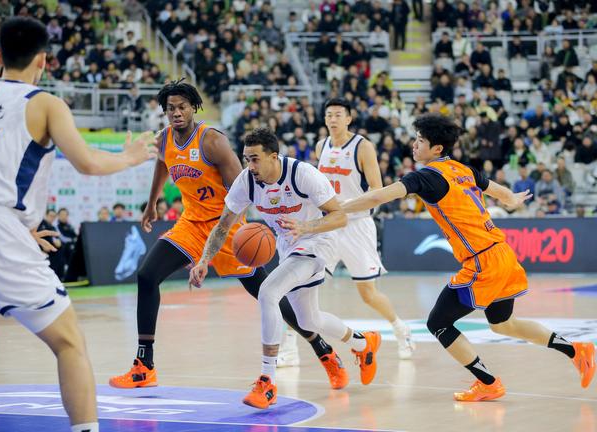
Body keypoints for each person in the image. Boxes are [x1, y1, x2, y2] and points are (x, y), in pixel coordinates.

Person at [0, 17, 157, 432]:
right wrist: (132, 157)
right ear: (43, 61)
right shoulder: (44, 103)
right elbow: (87, 162)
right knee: (69, 343)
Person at [109, 80, 346, 391]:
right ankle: (144, 366)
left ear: (193, 108)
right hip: (191, 223)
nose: (176, 113)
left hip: (226, 225)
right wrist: (153, 201)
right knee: (147, 275)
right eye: (170, 108)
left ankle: (323, 350)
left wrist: (262, 220)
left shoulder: (212, 141)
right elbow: (162, 163)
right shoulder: (164, 138)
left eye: (182, 107)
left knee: (267, 294)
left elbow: (245, 186)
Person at [341, 113, 595, 401]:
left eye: (420, 140)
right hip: (503, 254)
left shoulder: (426, 176)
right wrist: (512, 199)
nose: (414, 144)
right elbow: (503, 194)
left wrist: (338, 207)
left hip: (482, 261)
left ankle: (488, 383)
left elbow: (378, 197)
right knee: (503, 324)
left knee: (438, 323)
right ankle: (577, 350)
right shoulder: (463, 170)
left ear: (437, 148)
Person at [189, 127, 382, 409]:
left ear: (273, 156)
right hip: (288, 245)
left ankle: (267, 381)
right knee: (309, 321)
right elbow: (223, 226)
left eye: (255, 159)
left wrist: (306, 227)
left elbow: (339, 216)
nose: (249, 165)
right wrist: (204, 259)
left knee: (268, 292)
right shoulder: (247, 181)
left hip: (318, 240)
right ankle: (364, 344)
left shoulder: (302, 174)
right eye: (246, 159)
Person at [316, 98, 415, 359]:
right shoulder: (320, 146)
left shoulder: (363, 147)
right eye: (329, 115)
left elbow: (377, 190)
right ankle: (289, 347)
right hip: (329, 225)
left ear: (348, 119)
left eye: (338, 115)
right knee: (305, 286)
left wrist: (348, 206)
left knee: (368, 294)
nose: (333, 119)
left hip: (356, 225)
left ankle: (400, 328)